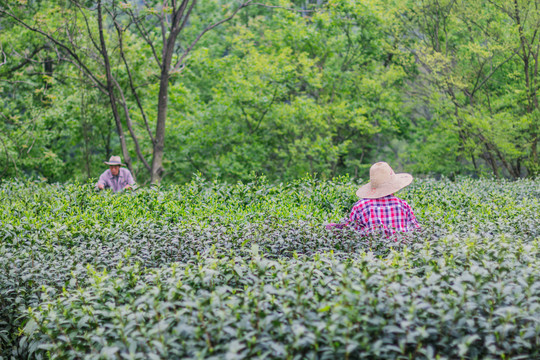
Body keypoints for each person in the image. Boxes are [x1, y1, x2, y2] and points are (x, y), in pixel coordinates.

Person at [326, 162, 420, 236]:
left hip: (372, 256)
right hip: (400, 254)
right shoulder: (403, 205)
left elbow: (350, 233)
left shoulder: (360, 206)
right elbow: (416, 231)